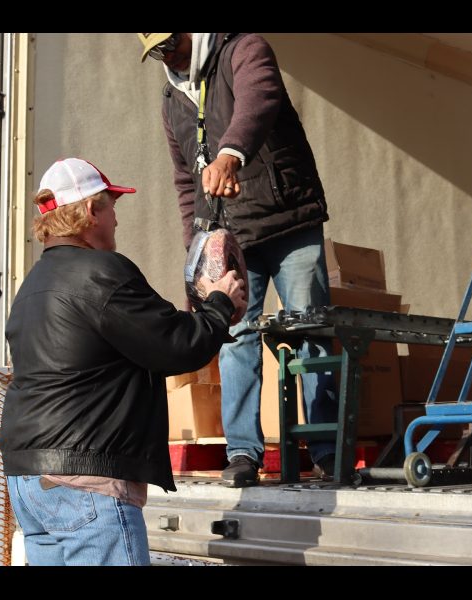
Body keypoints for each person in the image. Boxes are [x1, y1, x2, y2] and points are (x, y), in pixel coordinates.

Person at [0, 157, 246, 566]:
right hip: (85, 480)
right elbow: (175, 347)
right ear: (91, 211)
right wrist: (220, 304)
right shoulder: (102, 273)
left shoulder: (32, 286)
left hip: (29, 481)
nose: (116, 220)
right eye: (112, 207)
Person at [138, 33, 338, 487]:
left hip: (288, 217)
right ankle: (243, 453)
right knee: (235, 338)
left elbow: (260, 99)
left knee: (311, 331)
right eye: (156, 50)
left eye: (169, 42)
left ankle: (328, 448)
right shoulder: (171, 99)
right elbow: (186, 184)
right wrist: (195, 258)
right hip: (230, 237)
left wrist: (230, 154)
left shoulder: (244, 47)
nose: (166, 55)